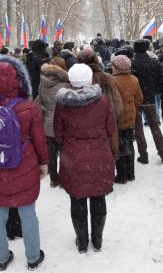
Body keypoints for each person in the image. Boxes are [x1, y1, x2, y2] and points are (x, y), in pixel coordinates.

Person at [0, 56, 48, 271]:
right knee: (28, 213)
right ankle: (33, 257)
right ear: (19, 79)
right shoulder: (28, 107)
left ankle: (2, 257)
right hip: (24, 165)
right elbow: (39, 139)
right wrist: (43, 163)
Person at [54, 64, 116, 253]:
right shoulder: (103, 101)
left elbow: (58, 133)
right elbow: (111, 128)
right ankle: (97, 240)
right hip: (99, 157)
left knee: (77, 200)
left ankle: (82, 242)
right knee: (98, 198)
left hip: (73, 158)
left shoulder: (63, 104)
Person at [77, 49, 123, 159]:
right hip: (106, 130)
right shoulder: (107, 77)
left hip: (82, 133)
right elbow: (118, 107)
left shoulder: (76, 81)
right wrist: (112, 122)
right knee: (105, 164)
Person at [132, 40, 163, 164]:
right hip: (150, 98)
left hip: (135, 99)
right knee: (155, 127)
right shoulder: (154, 63)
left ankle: (143, 156)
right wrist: (154, 91)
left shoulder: (132, 63)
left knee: (138, 129)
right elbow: (162, 82)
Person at [35, 58, 70, 187]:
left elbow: (41, 103)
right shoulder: (66, 84)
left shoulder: (42, 83)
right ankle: (64, 178)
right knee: (64, 152)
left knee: (52, 153)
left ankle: (54, 179)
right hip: (62, 124)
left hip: (47, 124)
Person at [111, 55, 143, 184]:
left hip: (117, 118)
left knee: (119, 146)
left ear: (117, 67)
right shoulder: (134, 79)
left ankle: (122, 175)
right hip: (130, 117)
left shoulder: (112, 81)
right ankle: (131, 173)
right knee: (129, 144)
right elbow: (139, 98)